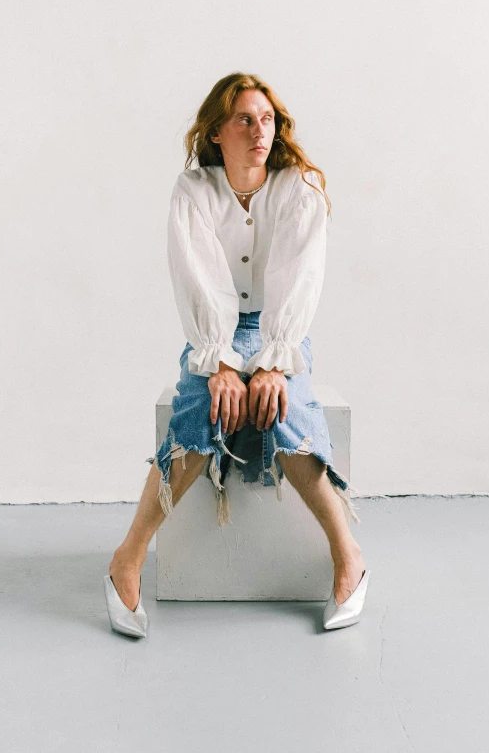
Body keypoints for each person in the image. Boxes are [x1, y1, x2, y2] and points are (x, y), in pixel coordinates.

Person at [104, 72, 371, 637]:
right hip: (213, 331)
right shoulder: (194, 191)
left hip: (280, 326)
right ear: (216, 131)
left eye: (267, 119)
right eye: (244, 119)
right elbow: (198, 281)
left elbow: (298, 283)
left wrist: (273, 362)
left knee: (287, 409)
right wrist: (221, 362)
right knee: (199, 412)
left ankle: (349, 555)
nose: (259, 131)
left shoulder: (299, 188)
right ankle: (127, 559)